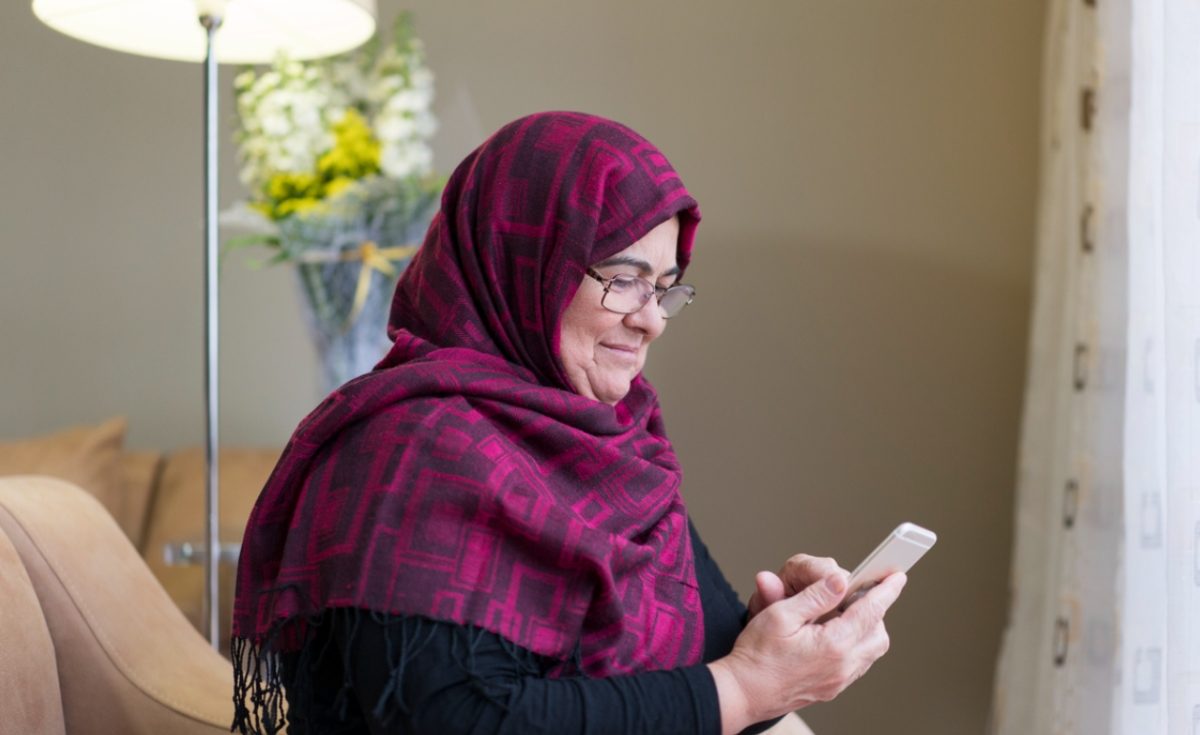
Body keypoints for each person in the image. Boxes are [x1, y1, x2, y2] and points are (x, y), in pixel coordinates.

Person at [231, 111, 906, 735]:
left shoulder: (618, 442)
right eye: (624, 278)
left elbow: (700, 684)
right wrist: (740, 688)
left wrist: (780, 640)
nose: (653, 317)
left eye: (667, 285)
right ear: (523, 263)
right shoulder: (409, 448)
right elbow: (448, 715)